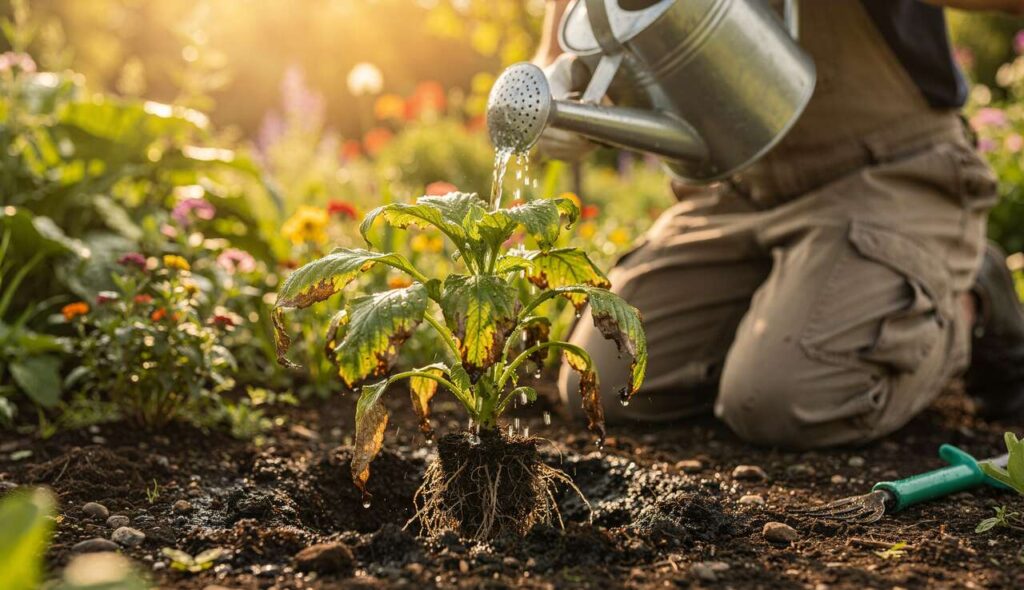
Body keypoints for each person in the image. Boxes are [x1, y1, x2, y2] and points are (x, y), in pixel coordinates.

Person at [535, 0, 1024, 447]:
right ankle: (801, 317)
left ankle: (968, 296)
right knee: (599, 383)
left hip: (887, 169)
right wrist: (558, 87)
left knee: (783, 403)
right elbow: (562, 40)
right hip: (737, 186)